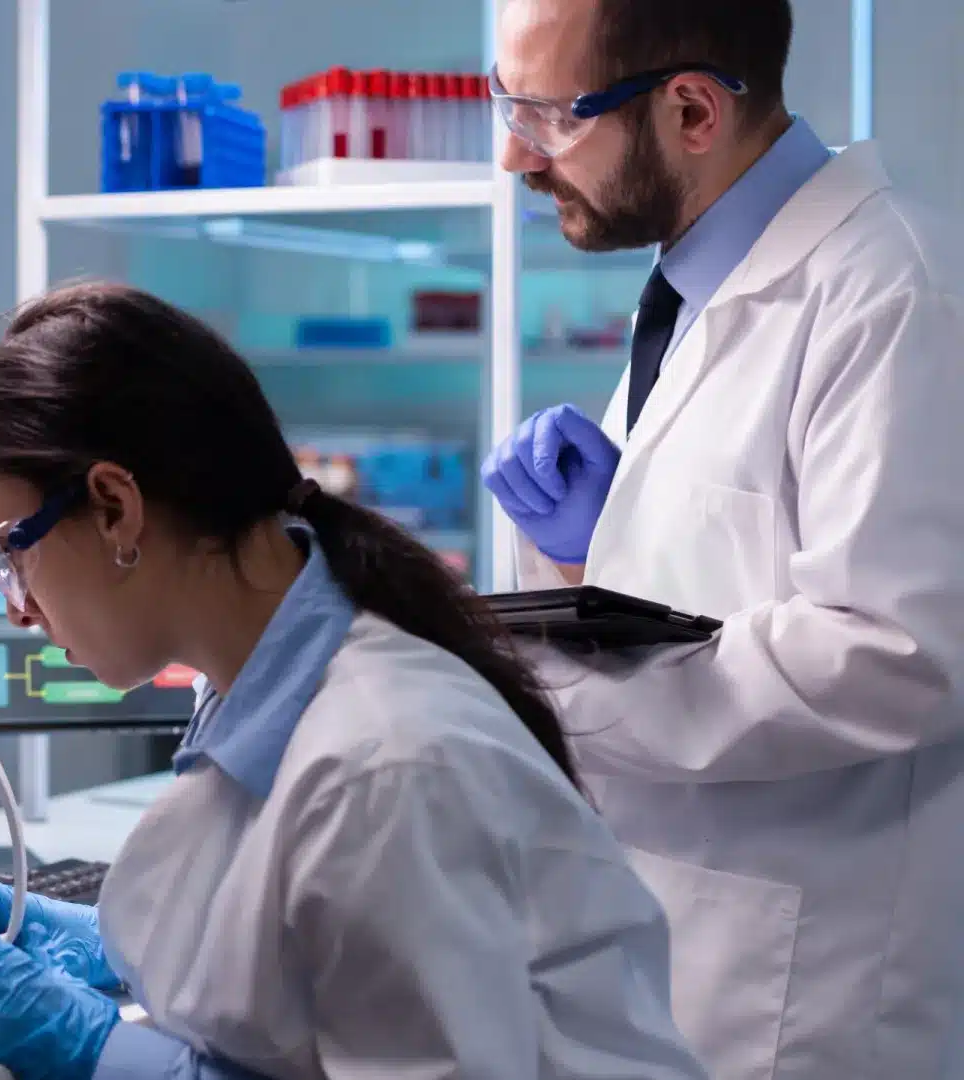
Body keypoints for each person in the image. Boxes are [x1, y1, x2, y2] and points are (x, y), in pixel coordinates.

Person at [0, 282, 707, 1080]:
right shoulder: (261, 679)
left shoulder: (382, 763)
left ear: (114, 508)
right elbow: (317, 958)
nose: (18, 610)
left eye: (11, 551)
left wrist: (100, 1053)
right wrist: (120, 946)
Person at [482, 1, 964, 1076]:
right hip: (666, 955)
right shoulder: (699, 285)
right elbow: (728, 575)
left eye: (548, 115)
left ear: (692, 110)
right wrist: (588, 553)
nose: (515, 154)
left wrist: (562, 688)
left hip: (797, 999)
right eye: (505, 104)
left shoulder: (893, 294)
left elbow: (899, 658)